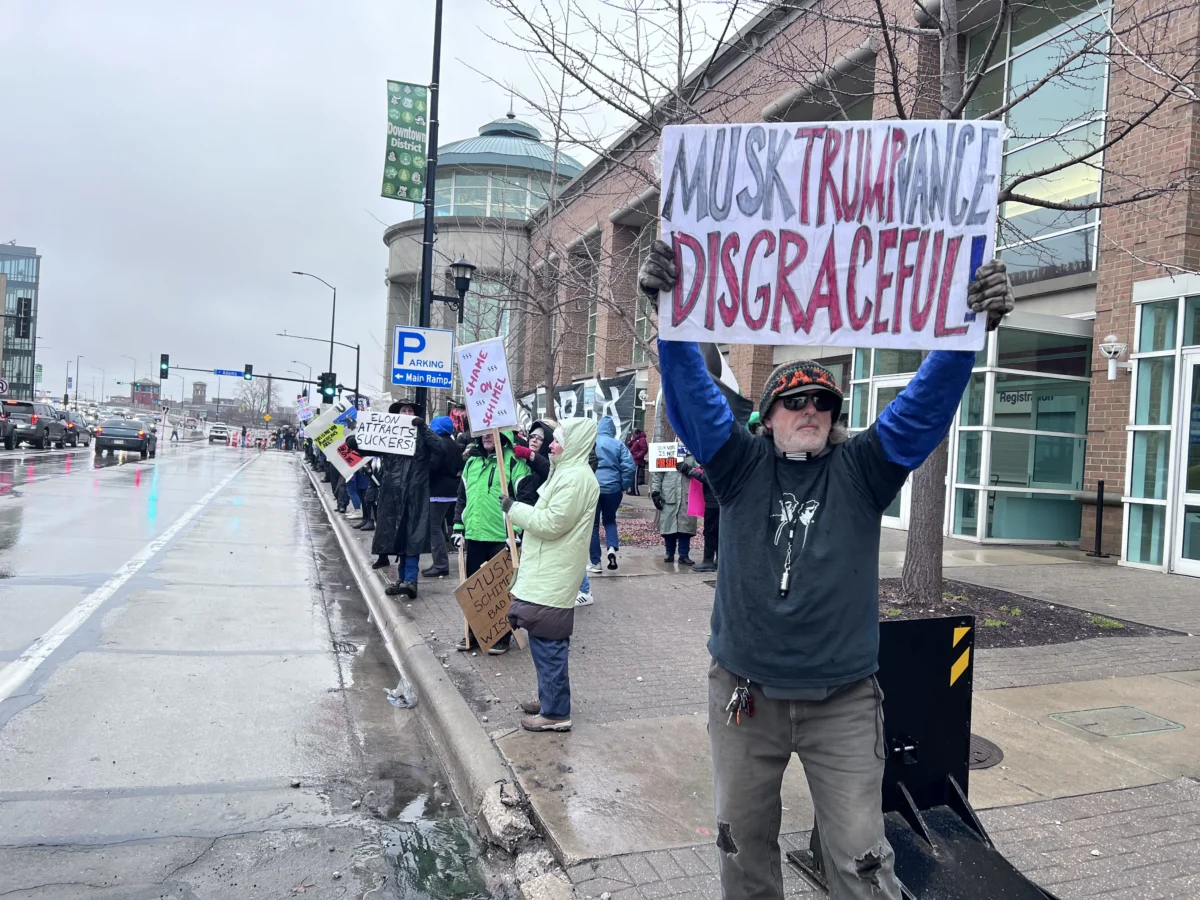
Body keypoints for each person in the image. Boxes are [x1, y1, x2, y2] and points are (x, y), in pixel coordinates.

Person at [638, 239, 1014, 900]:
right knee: (741, 850)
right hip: (744, 699)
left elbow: (922, 407)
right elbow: (693, 399)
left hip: (841, 703)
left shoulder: (864, 469)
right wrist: (670, 321)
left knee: (862, 861)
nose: (809, 409)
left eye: (822, 401)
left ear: (836, 417)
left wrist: (966, 333)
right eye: (794, 401)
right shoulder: (739, 466)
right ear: (769, 416)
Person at [503, 417, 599, 732]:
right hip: (548, 571)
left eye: (557, 441)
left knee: (549, 643)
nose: (551, 445)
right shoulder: (567, 473)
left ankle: (556, 713)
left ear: (572, 445)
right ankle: (550, 700)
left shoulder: (575, 478)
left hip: (554, 574)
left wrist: (514, 509)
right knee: (544, 641)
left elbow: (551, 523)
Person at [452, 430, 530, 654]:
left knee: (500, 591)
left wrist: (515, 530)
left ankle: (502, 635)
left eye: (491, 433)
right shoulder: (472, 462)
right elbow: (462, 497)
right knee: (473, 591)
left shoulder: (514, 462)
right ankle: (475, 633)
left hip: (501, 537)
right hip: (474, 535)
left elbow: (524, 498)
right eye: (483, 433)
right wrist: (458, 526)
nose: (487, 437)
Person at [365, 400, 443, 599]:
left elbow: (440, 448)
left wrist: (423, 427)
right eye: (403, 411)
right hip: (392, 496)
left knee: (412, 536)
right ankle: (402, 580)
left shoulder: (424, 436)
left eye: (410, 411)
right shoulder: (389, 434)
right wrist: (354, 443)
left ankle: (411, 580)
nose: (407, 413)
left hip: (415, 495)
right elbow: (369, 446)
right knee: (397, 537)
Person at [589, 417, 634, 573]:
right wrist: (623, 485)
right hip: (613, 489)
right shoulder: (619, 444)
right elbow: (629, 467)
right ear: (612, 430)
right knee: (610, 520)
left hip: (594, 488)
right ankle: (611, 549)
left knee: (593, 527)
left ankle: (596, 563)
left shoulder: (591, 442)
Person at [424, 416, 463, 577]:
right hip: (451, 490)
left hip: (438, 491)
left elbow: (433, 466)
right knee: (439, 526)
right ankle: (440, 561)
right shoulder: (453, 444)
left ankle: (440, 564)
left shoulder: (438, 443)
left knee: (434, 528)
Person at [650, 459, 696, 566]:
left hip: (687, 495)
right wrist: (655, 492)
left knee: (685, 527)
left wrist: (690, 470)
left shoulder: (693, 454)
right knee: (669, 526)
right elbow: (658, 474)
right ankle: (669, 553)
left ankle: (684, 555)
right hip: (669, 496)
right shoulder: (667, 453)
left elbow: (702, 470)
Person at [677, 456, 718, 573]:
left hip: (713, 501)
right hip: (717, 500)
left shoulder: (714, 459)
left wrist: (692, 472)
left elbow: (709, 479)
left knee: (710, 532)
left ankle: (708, 561)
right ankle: (718, 560)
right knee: (718, 531)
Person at [627, 429, 648, 496]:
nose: (634, 436)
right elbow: (629, 444)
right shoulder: (635, 439)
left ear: (638, 434)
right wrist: (631, 440)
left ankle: (636, 491)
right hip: (632, 459)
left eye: (634, 434)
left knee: (635, 476)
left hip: (636, 460)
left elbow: (644, 450)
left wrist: (637, 456)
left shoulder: (642, 440)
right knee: (631, 476)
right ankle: (632, 490)